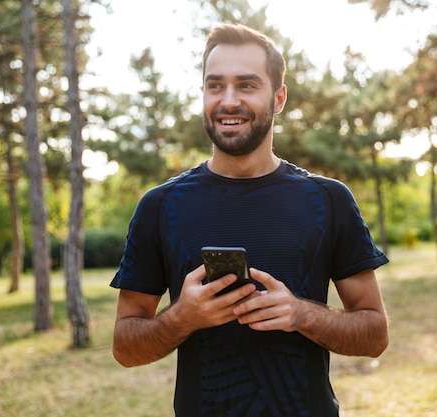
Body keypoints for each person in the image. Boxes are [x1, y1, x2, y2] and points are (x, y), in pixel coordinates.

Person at [110, 23, 389, 417]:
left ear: (278, 98)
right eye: (215, 85)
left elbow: (374, 334)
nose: (228, 101)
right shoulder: (161, 206)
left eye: (246, 85)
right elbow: (124, 346)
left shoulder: (328, 200)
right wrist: (182, 319)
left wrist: (300, 313)